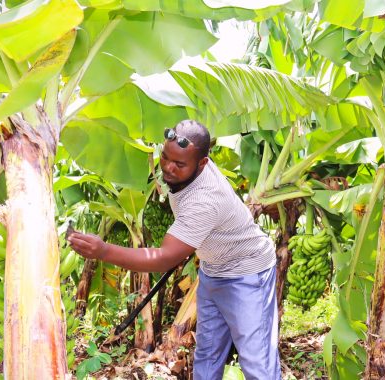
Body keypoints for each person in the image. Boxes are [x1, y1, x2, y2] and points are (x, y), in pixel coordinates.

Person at [67, 120, 281, 380]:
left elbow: (163, 258)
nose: (168, 168)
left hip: (248, 274)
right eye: (165, 157)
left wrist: (102, 251)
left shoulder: (205, 199)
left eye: (179, 165)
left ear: (202, 164)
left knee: (257, 364)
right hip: (214, 270)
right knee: (207, 353)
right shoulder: (184, 165)